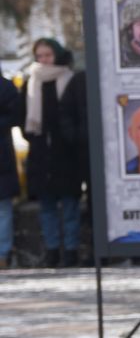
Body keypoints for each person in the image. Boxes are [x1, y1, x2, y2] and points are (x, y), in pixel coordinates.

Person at [23, 38, 89, 267]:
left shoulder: (71, 80)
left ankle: (71, 251)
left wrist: (72, 137)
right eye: (40, 56)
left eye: (48, 55)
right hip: (41, 154)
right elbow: (24, 120)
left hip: (67, 154)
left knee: (70, 206)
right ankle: (52, 251)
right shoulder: (31, 83)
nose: (44, 60)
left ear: (57, 55)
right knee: (47, 207)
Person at [0, 71, 21, 268]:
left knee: (3, 209)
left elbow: (15, 115)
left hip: (2, 157)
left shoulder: (5, 87)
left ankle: (3, 255)